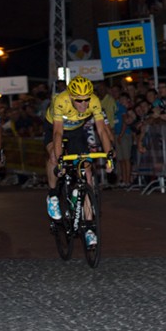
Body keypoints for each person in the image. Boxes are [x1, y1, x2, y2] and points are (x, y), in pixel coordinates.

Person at [46, 75, 113, 246]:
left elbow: (102, 131)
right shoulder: (61, 101)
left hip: (76, 131)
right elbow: (58, 133)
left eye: (86, 100)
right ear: (70, 96)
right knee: (54, 156)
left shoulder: (95, 101)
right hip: (55, 128)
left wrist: (109, 155)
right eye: (79, 101)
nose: (83, 105)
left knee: (87, 172)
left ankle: (89, 227)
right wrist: (60, 160)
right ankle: (53, 195)